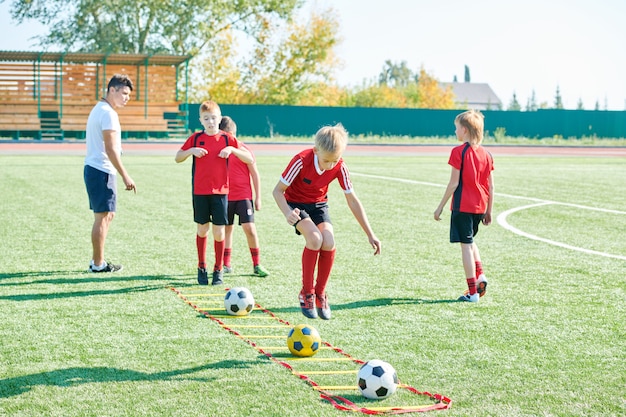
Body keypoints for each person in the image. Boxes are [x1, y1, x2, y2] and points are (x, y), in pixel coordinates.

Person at [272, 123, 381, 320]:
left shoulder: (340, 165)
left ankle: (320, 293)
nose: (330, 165)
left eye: (335, 160)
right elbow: (277, 191)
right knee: (314, 239)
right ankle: (306, 293)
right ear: (316, 150)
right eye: (326, 160)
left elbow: (352, 200)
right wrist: (287, 212)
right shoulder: (301, 160)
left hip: (319, 205)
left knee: (329, 242)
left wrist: (370, 233)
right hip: (296, 205)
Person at [175, 101, 252, 286]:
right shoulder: (195, 138)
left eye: (214, 118)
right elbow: (177, 157)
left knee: (219, 232)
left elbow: (250, 158)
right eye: (206, 118)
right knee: (202, 229)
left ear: (220, 118)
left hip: (221, 192)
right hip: (200, 192)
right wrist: (190, 151)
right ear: (201, 120)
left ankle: (218, 269)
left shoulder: (227, 139)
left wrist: (232, 149)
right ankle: (202, 267)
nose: (210, 122)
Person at [434, 109, 494, 302]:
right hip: (479, 208)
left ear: (465, 130)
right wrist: (489, 211)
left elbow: (453, 183)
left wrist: (440, 206)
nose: (455, 132)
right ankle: (480, 275)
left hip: (462, 207)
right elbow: (491, 186)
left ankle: (472, 292)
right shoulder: (486, 154)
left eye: (456, 128)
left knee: (465, 246)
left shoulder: (458, 152)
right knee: (470, 241)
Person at [84, 74, 136, 273]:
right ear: (111, 90)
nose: (126, 98)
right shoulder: (108, 113)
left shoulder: (100, 109)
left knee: (107, 215)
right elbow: (111, 149)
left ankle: (97, 260)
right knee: (103, 217)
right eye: (123, 93)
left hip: (97, 169)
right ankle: (98, 264)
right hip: (101, 170)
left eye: (128, 95)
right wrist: (125, 174)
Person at [218, 116, 270, 278]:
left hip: (243, 196)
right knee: (227, 229)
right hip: (225, 196)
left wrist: (258, 197)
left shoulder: (243, 150)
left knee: (250, 229)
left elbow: (255, 174)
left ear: (232, 133)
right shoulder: (220, 151)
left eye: (225, 136)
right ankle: (226, 264)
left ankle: (256, 264)